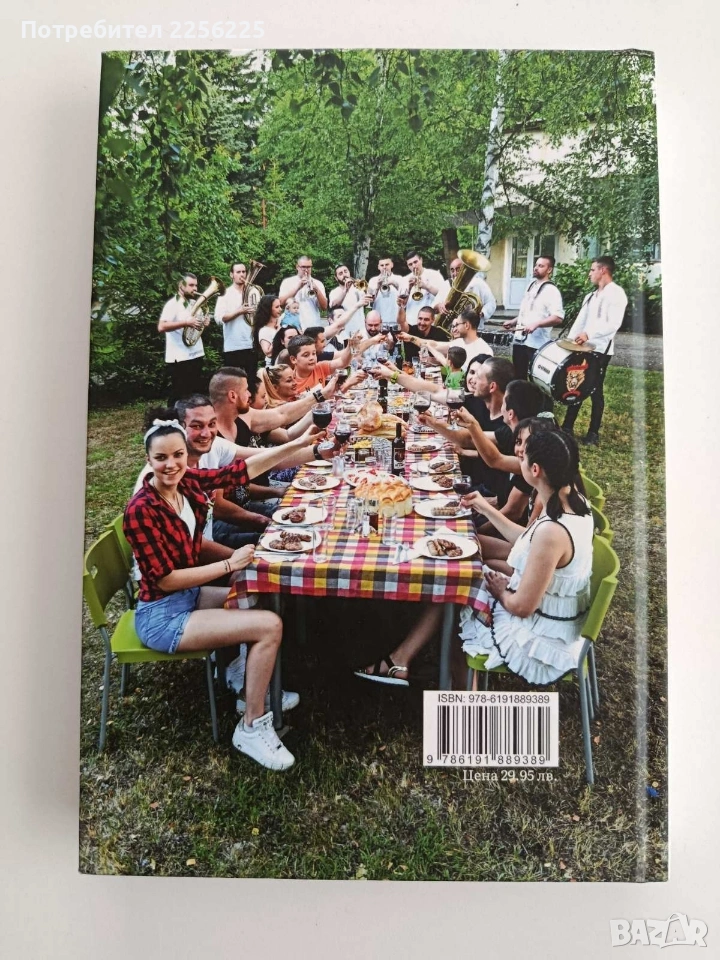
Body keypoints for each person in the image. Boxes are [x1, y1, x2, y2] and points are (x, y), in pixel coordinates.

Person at [123, 419, 301, 770]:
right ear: (148, 460)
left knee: (258, 592)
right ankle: (252, 726)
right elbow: (165, 581)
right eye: (161, 458)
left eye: (178, 455)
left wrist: (296, 445)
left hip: (187, 597)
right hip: (162, 616)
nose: (171, 464)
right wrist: (229, 564)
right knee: (269, 626)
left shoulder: (185, 483)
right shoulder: (141, 510)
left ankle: (246, 684)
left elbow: (239, 472)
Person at [458, 429, 593, 685]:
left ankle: (462, 690)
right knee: (469, 570)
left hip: (539, 641)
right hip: (555, 621)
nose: (518, 457)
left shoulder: (552, 531)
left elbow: (522, 607)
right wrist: (485, 507)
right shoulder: (575, 502)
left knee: (460, 591)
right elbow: (529, 541)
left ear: (535, 470)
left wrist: (501, 591)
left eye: (522, 457)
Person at [561, 256, 628, 446]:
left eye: (592, 270)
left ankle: (593, 432)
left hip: (601, 350)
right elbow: (580, 322)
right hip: (583, 348)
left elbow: (613, 324)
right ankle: (567, 427)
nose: (589, 273)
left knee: (595, 389)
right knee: (576, 386)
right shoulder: (591, 296)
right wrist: (569, 341)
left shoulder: (616, 294)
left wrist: (589, 334)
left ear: (603, 270)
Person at [501, 255, 565, 381]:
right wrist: (513, 321)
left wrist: (537, 324)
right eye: (536, 265)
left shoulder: (552, 291)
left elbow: (558, 317)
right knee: (519, 377)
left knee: (535, 379)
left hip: (536, 344)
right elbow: (528, 313)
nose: (536, 268)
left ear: (549, 270)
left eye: (541, 266)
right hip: (519, 340)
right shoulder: (531, 285)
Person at [157, 273, 207, 406]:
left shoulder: (193, 303)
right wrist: (185, 322)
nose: (195, 288)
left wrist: (204, 322)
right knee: (179, 395)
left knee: (193, 395)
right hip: (180, 357)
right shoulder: (173, 304)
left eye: (196, 285)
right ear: (181, 285)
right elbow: (161, 326)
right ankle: (171, 417)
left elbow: (197, 327)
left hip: (196, 353)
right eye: (191, 285)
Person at [407, 308, 494, 371]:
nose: (454, 329)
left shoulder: (484, 350)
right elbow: (435, 345)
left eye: (457, 325)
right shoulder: (459, 342)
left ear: (466, 325)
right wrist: (410, 338)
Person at [214, 263, 257, 376]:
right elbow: (219, 318)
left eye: (244, 272)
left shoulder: (253, 292)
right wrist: (239, 311)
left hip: (251, 344)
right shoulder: (225, 294)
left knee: (252, 381)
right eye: (238, 272)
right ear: (231, 275)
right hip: (233, 346)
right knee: (234, 381)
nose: (242, 274)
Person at [433, 256, 497, 329]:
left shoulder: (478, 283)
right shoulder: (446, 284)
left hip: (472, 329)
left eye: (458, 269)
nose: (455, 273)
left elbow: (491, 303)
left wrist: (481, 312)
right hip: (450, 329)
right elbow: (433, 306)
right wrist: (439, 306)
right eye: (452, 270)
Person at [286, 335, 351, 393]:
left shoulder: (320, 367)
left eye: (314, 353)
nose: (311, 358)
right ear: (293, 359)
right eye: (306, 355)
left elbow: (342, 362)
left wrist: (351, 346)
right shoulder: (290, 381)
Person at [278, 256, 328, 330]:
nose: (306, 270)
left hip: (312, 326)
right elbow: (281, 303)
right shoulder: (287, 282)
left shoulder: (318, 283)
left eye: (309, 267)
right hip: (292, 327)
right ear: (297, 267)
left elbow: (324, 307)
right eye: (303, 267)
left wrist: (317, 290)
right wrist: (298, 287)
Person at [398, 251, 444, 325]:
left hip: (431, 322)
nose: (414, 266)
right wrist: (409, 289)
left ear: (421, 260)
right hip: (412, 322)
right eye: (410, 264)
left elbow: (443, 294)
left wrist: (426, 286)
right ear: (408, 266)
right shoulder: (405, 280)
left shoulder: (435, 275)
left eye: (415, 262)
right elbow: (402, 305)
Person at [327, 264, 369, 338]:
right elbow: (334, 306)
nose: (344, 275)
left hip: (360, 329)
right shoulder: (334, 292)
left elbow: (367, 300)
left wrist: (364, 289)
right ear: (336, 278)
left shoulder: (358, 288)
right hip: (344, 331)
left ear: (349, 273)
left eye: (345, 271)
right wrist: (345, 290)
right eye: (340, 273)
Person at [367, 257, 403, 327]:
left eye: (387, 264)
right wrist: (378, 287)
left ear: (392, 265)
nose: (384, 267)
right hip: (378, 321)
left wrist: (394, 283)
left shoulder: (399, 278)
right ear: (378, 267)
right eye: (382, 265)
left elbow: (404, 296)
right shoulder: (373, 280)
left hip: (395, 318)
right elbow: (370, 302)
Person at [252, 294, 284, 362]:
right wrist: (278, 331)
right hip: (275, 365)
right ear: (268, 309)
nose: (280, 309)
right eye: (277, 307)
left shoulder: (282, 321)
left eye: (280, 306)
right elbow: (268, 353)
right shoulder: (264, 331)